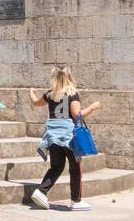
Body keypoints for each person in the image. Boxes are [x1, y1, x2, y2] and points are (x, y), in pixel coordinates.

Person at [28, 66, 101, 210]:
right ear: (69, 78)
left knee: (56, 167)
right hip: (68, 137)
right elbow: (77, 114)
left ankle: (41, 191)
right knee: (75, 168)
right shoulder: (72, 94)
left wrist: (31, 92)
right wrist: (92, 107)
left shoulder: (50, 94)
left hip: (53, 136)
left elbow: (35, 102)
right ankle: (76, 201)